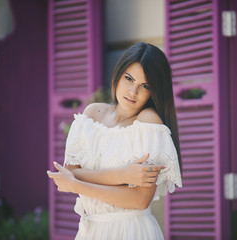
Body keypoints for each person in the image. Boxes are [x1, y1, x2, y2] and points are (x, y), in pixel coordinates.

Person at [47, 42, 182, 240]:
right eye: (129, 78)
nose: (132, 91)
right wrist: (124, 175)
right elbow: (70, 171)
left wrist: (76, 184)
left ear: (154, 92)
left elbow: (139, 199)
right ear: (117, 74)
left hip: (129, 230)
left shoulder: (148, 124)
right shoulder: (92, 113)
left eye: (145, 86)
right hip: (90, 231)